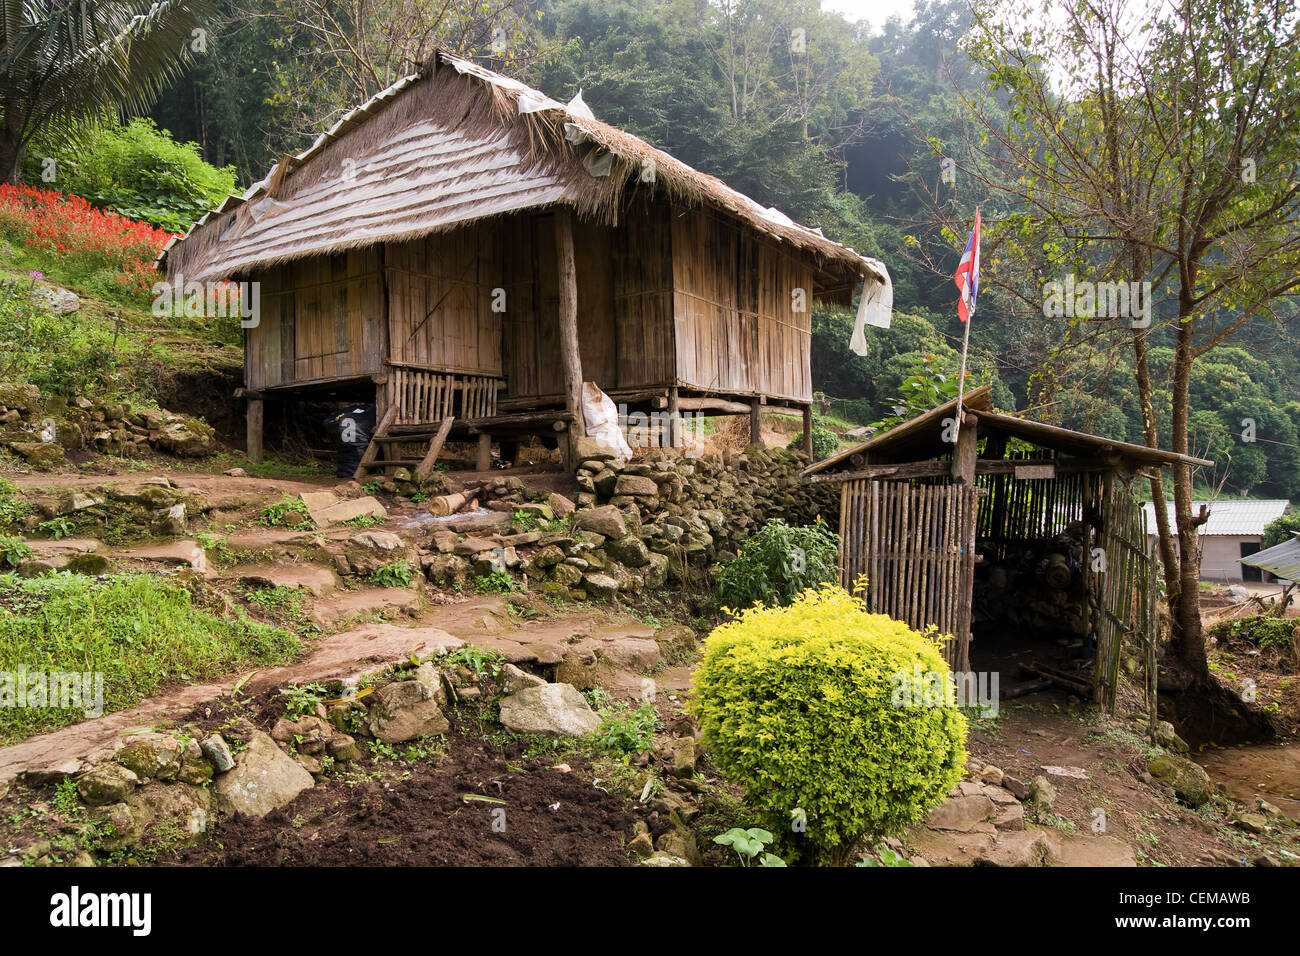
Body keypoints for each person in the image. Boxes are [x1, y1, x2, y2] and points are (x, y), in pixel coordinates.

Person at [324, 402, 376, 478]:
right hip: (360, 449)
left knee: (348, 454)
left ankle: (347, 472)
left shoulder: (343, 413)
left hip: (346, 449)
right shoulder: (369, 412)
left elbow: (327, 424)